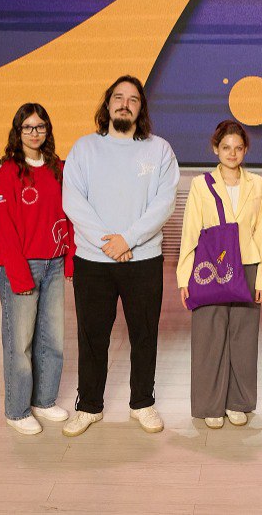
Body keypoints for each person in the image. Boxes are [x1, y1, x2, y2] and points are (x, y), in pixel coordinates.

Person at [61, 75, 179, 437]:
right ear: (107, 104)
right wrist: (106, 242)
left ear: (141, 109)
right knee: (92, 336)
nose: (124, 103)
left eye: (133, 99)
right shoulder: (84, 149)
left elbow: (164, 203)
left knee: (144, 335)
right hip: (93, 262)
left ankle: (142, 403)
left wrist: (127, 239)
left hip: (142, 260)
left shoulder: (159, 150)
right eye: (118, 97)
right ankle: (89, 406)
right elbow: (73, 201)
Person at [177, 120, 262, 429]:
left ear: (246, 150)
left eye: (238, 148)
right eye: (226, 147)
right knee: (209, 335)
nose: (232, 153)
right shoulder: (201, 185)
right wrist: (184, 278)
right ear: (215, 148)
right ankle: (209, 404)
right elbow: (190, 231)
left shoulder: (258, 184)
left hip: (247, 265)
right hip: (211, 268)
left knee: (244, 338)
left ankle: (238, 402)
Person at [0, 102, 74, 435]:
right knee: (20, 343)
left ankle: (44, 400)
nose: (34, 133)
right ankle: (17, 410)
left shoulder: (58, 168)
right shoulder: (9, 172)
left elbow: (69, 216)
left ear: (47, 130)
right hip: (23, 265)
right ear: (18, 132)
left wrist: (69, 260)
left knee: (52, 339)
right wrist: (18, 273)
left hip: (54, 263)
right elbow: (4, 228)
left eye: (40, 127)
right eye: (28, 127)